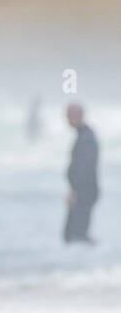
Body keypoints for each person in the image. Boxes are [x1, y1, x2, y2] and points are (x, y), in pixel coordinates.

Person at [64, 103, 99, 244]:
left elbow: (85, 168)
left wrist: (75, 191)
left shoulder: (86, 137)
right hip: (84, 190)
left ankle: (85, 264)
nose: (66, 120)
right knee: (75, 234)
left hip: (84, 191)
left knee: (75, 235)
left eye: (68, 116)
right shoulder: (84, 135)